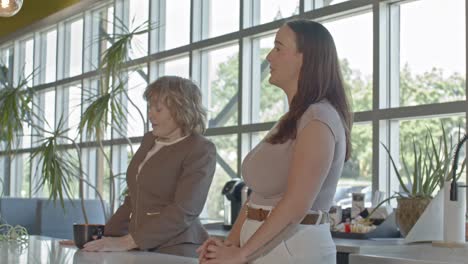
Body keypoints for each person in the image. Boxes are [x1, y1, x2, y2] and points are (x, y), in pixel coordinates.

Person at [197, 19, 352, 264]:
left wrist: (241, 253)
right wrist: (228, 246)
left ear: (305, 58)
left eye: (278, 48)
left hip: (293, 249)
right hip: (267, 246)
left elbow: (296, 205)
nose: (269, 56)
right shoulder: (291, 119)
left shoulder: (318, 120)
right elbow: (256, 198)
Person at [81, 76, 217, 257]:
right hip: (138, 246)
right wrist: (99, 240)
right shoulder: (149, 140)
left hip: (176, 248)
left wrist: (126, 242)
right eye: (150, 108)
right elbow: (133, 200)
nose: (150, 114)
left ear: (181, 110)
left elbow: (184, 210)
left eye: (158, 109)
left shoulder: (200, 149)